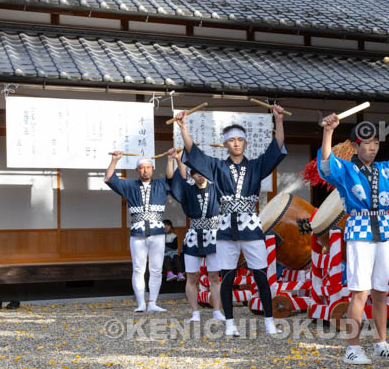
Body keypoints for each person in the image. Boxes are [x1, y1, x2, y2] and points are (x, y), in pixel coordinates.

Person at [318, 117, 389, 364]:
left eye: (376, 142)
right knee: (360, 291)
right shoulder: (346, 170)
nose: (372, 147)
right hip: (359, 229)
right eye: (367, 143)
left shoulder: (388, 169)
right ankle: (353, 348)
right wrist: (328, 132)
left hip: (384, 227)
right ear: (355, 146)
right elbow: (326, 163)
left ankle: (381, 343)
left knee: (381, 291)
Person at [176, 109, 287, 337]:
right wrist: (183, 127)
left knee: (261, 274)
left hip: (251, 226)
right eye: (231, 140)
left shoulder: (257, 166)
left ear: (245, 143)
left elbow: (276, 148)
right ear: (225, 144)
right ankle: (229, 323)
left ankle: (268, 321)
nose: (236, 144)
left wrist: (278, 120)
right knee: (227, 274)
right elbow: (193, 153)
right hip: (225, 228)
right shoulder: (217, 167)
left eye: (239, 140)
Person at [105, 150, 177, 313]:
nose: (145, 170)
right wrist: (115, 161)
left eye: (148, 167)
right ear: (137, 170)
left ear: (152, 169)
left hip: (157, 232)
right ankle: (141, 303)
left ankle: (152, 302)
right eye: (142, 168)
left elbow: (171, 177)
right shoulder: (129, 186)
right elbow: (109, 178)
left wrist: (170, 160)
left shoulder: (160, 184)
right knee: (138, 268)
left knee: (156, 268)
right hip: (137, 233)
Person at [168, 152, 225, 323]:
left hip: (213, 235)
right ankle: (195, 313)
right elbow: (175, 179)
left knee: (214, 276)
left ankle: (217, 311)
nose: (200, 175)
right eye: (196, 172)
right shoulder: (187, 190)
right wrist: (177, 160)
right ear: (193, 175)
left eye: (203, 172)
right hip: (193, 235)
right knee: (192, 277)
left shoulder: (216, 187)